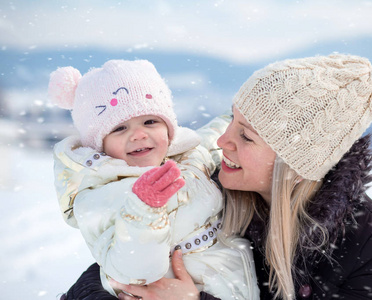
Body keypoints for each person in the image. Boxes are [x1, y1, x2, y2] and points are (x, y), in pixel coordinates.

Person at [65, 53, 372, 300]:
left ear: (294, 165)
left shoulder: (369, 243)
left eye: (246, 136)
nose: (223, 140)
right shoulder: (206, 184)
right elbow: (104, 272)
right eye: (231, 121)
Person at [49, 60, 259, 300]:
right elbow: (135, 271)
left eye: (150, 121)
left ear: (169, 129)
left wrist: (240, 117)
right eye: (120, 128)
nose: (139, 134)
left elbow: (213, 140)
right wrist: (143, 211)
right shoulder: (101, 196)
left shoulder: (186, 156)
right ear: (99, 146)